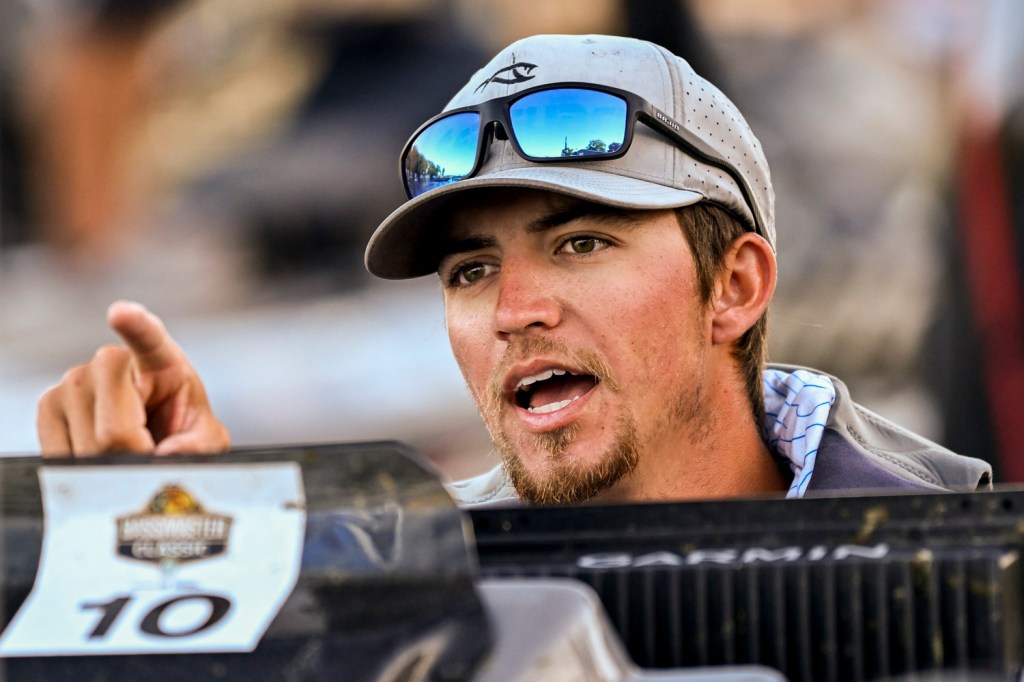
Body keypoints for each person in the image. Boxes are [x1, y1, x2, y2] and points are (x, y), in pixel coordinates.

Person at [36, 34, 992, 506]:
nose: (513, 310)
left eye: (581, 244)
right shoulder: (416, 578)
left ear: (734, 286)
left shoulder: (962, 553)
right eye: (470, 271)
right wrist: (187, 545)